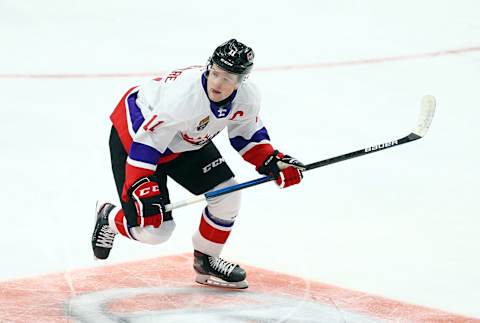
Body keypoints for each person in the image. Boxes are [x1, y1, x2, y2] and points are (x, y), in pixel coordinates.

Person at [91, 39, 306, 289]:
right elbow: (147, 144)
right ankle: (109, 217)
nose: (217, 83)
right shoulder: (183, 98)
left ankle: (206, 260)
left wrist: (272, 162)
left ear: (240, 81)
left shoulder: (247, 99)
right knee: (154, 232)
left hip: (185, 139)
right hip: (136, 136)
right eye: (215, 73)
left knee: (228, 195)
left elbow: (245, 135)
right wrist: (141, 185)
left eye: (227, 78)